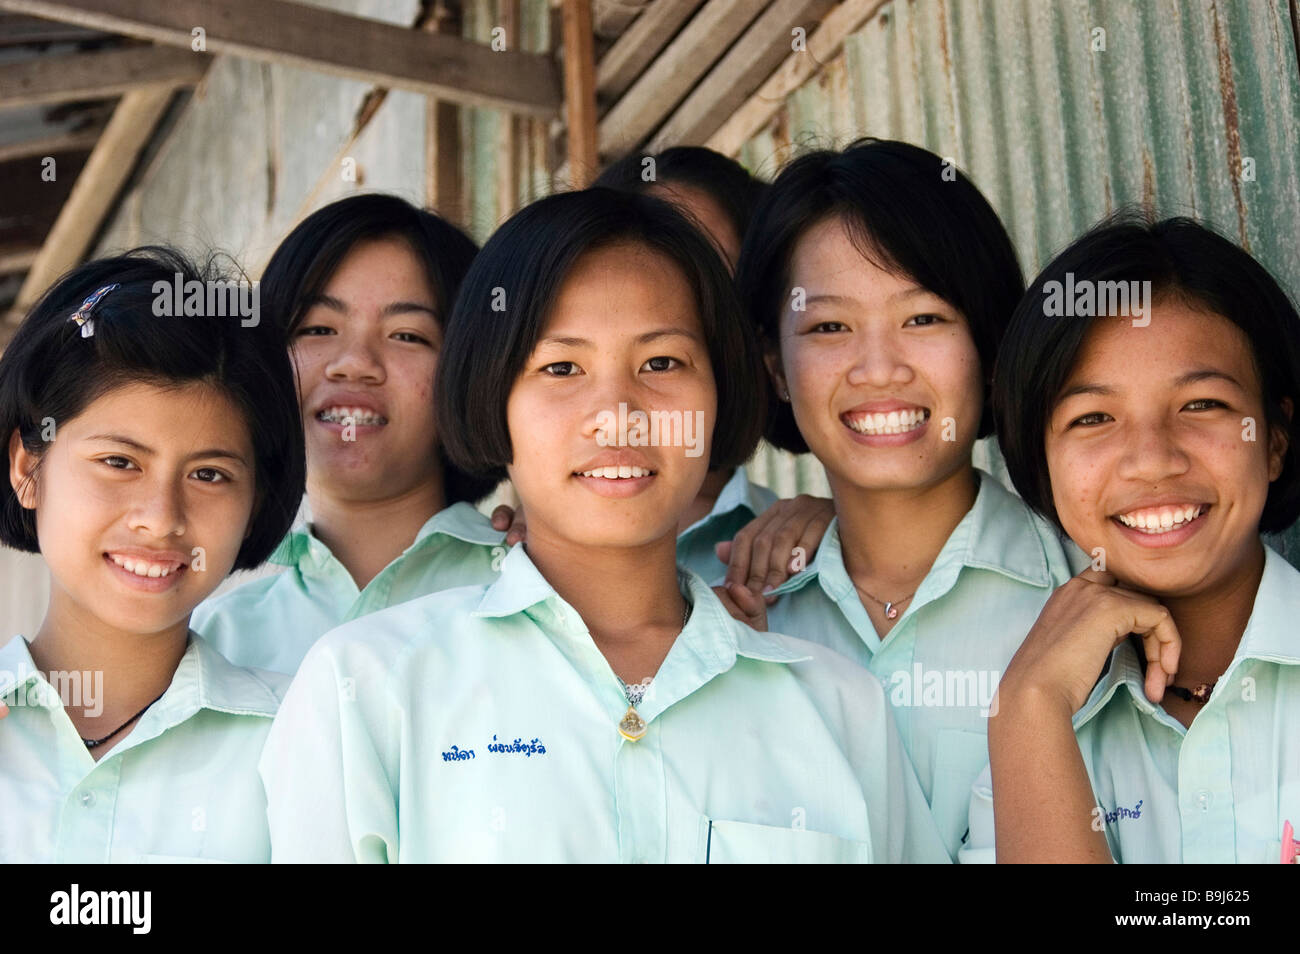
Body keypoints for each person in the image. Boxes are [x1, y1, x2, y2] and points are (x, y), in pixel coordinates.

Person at [260, 188, 948, 863]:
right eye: (561, 367)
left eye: (661, 363)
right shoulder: (369, 689)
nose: (617, 413)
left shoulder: (836, 708)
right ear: (492, 399)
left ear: (720, 393)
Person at [721, 139, 1075, 859]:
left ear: (989, 338)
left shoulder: (1086, 594)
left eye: (924, 319)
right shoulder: (732, 622)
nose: (878, 369)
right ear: (774, 368)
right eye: (829, 327)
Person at [971, 214, 1300, 863]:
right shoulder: (1033, 733)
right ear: (1039, 465)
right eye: (1093, 418)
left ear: (1275, 441)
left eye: (1202, 405)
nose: (1151, 460)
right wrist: (1030, 710)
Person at [0, 248, 304, 861]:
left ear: (256, 502)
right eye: (119, 462)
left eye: (210, 474)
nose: (161, 517)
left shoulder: (302, 739)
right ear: (29, 467)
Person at [191, 195, 504, 674]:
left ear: (468, 373)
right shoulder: (214, 640)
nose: (355, 362)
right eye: (318, 329)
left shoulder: (535, 588)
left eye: (407, 335)